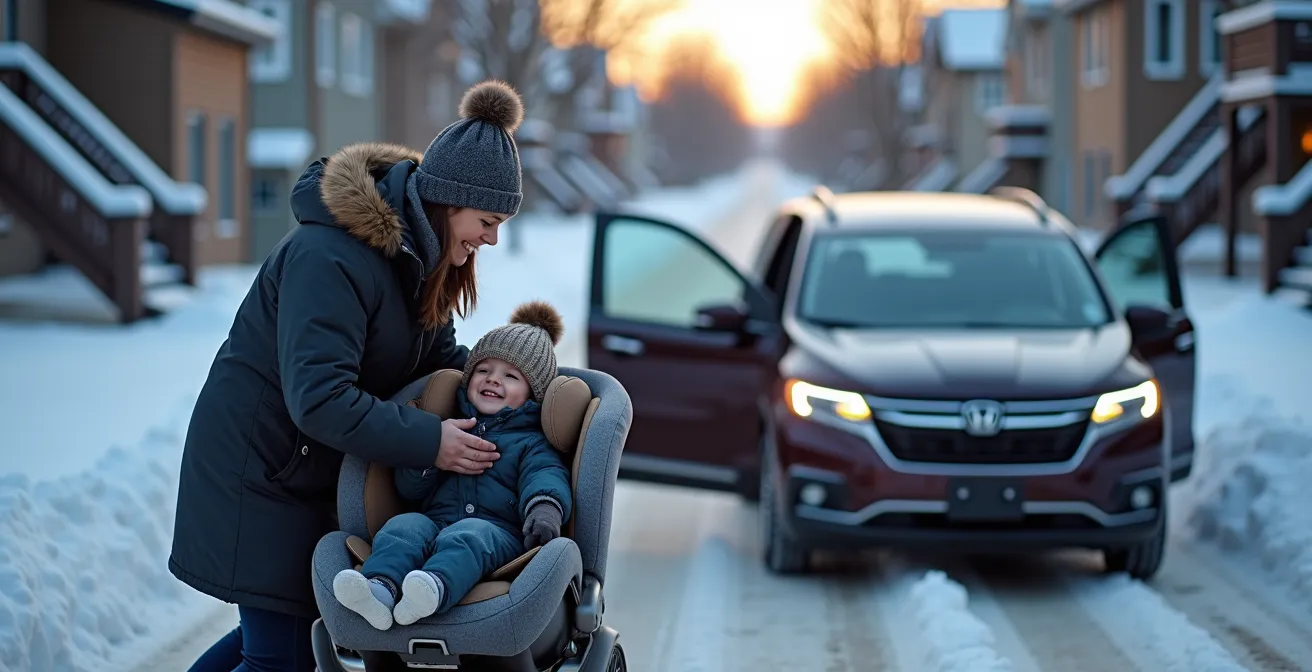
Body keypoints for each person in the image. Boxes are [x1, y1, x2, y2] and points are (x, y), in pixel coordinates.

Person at [171, 80, 527, 672]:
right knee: (279, 656)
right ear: (449, 200)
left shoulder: (418, 260)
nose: (491, 238)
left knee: (281, 643)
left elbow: (437, 364)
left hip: (310, 473)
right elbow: (321, 398)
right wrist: (431, 443)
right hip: (258, 470)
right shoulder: (329, 256)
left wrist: (503, 388)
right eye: (487, 221)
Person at [333, 301, 573, 630]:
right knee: (404, 528)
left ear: (534, 394)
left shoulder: (530, 442)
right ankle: (379, 591)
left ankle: (432, 588)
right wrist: (430, 457)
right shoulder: (448, 427)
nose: (493, 380)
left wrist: (545, 509)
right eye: (483, 370)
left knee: (470, 536)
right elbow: (408, 488)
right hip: (436, 522)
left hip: (497, 533)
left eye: (510, 376)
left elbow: (546, 477)